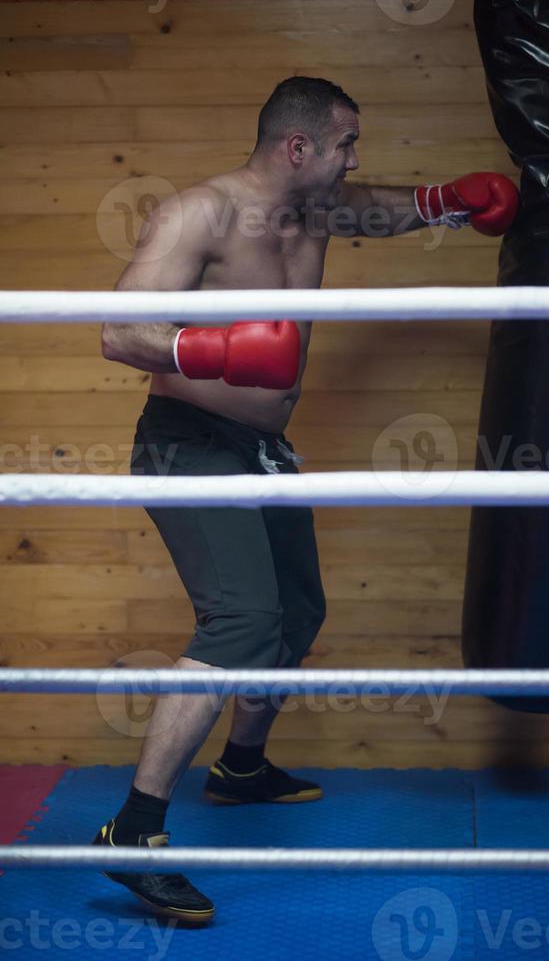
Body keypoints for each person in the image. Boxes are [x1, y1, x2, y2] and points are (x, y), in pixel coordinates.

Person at [94, 76, 519, 924]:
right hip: (187, 449)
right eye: (346, 146)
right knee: (242, 623)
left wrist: (450, 202)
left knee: (297, 612)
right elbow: (118, 330)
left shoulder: (319, 210)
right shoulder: (200, 214)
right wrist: (212, 347)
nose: (354, 161)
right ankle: (131, 833)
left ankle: (241, 769)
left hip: (262, 451)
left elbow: (382, 211)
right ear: (300, 149)